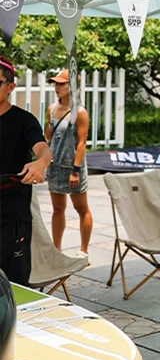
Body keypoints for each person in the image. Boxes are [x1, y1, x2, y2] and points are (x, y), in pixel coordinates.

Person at [0, 57, 53, 285]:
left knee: (14, 288)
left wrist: (40, 163)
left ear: (10, 87)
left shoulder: (23, 121)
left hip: (12, 220)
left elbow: (43, 149)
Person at [44, 69, 92, 257]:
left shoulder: (79, 112)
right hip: (55, 165)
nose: (57, 87)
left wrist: (75, 170)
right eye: (55, 84)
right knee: (57, 209)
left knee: (81, 208)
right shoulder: (51, 109)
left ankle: (84, 250)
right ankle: (56, 250)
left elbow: (82, 143)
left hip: (72, 166)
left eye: (61, 84)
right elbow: (48, 137)